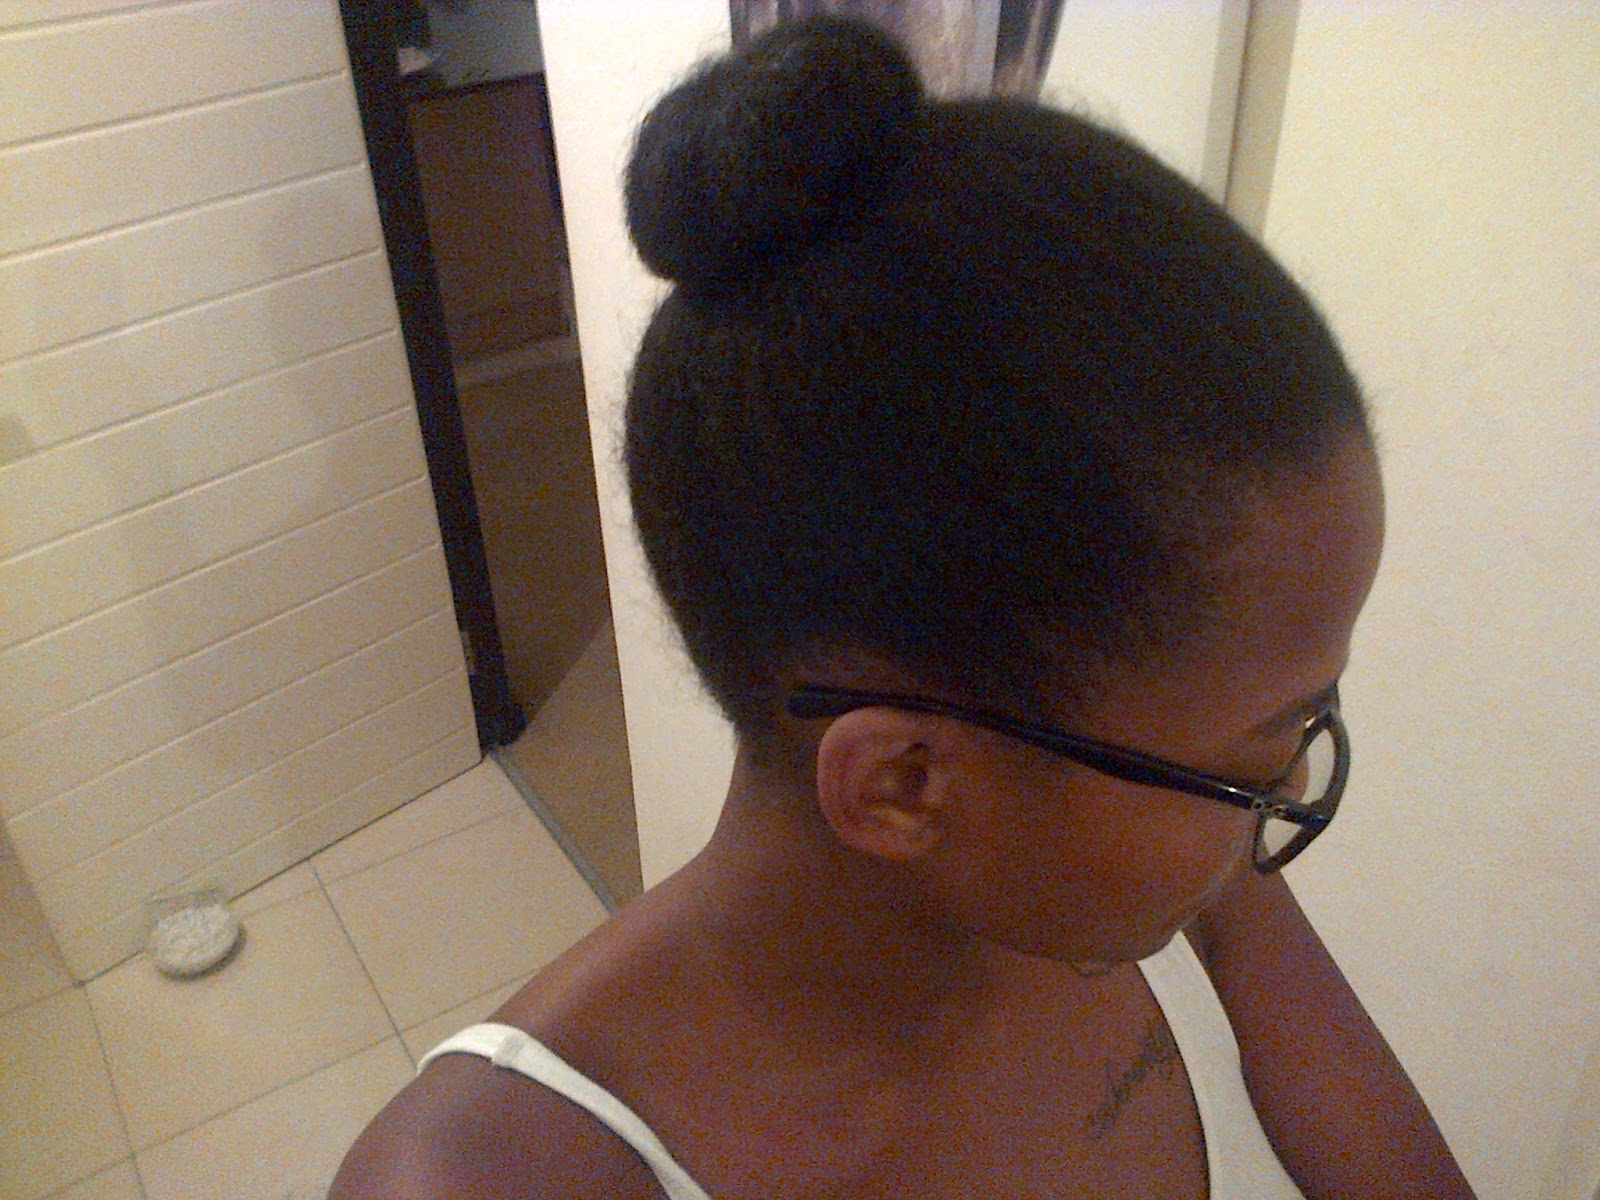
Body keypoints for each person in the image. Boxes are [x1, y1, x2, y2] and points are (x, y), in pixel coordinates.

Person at [331, 17, 1478, 1199]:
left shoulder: (1157, 857)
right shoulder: (492, 1178)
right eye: (1264, 749)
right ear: (905, 785)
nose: (1284, 788)